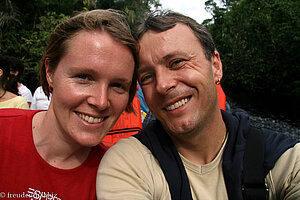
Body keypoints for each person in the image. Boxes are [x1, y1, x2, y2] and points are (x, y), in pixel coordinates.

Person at [97, 10, 299, 199]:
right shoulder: (128, 165)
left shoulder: (286, 160)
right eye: (147, 76)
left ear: (216, 65)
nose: (163, 85)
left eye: (177, 62)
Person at [0, 9, 138, 200]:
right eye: (83, 77)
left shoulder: (120, 180)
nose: (101, 101)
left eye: (117, 85)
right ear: (50, 72)